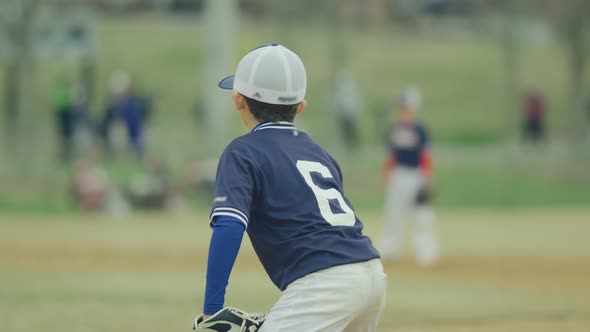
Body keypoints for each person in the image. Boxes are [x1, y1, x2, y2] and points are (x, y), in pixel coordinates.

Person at [193, 44, 386, 332]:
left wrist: (211, 311)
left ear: (238, 100)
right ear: (300, 106)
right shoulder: (319, 152)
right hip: (371, 274)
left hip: (323, 285)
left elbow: (229, 226)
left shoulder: (242, 152)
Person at [379, 87, 440, 266]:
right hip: (398, 175)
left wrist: (428, 178)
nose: (402, 109)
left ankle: (426, 251)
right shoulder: (394, 129)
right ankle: (388, 249)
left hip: (416, 175)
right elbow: (391, 156)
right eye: (401, 106)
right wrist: (385, 175)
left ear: (414, 107)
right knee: (393, 213)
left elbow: (426, 156)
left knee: (422, 215)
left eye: (405, 106)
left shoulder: (420, 129)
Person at [331, 68, 362, 148]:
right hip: (344, 116)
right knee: (346, 132)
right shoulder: (342, 91)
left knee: (351, 131)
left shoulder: (349, 90)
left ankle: (354, 145)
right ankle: (349, 145)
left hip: (349, 115)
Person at [52, 79, 75, 161]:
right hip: (66, 117)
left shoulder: (59, 92)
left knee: (63, 138)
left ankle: (63, 156)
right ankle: (64, 155)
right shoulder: (67, 92)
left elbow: (55, 105)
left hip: (63, 117)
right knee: (65, 138)